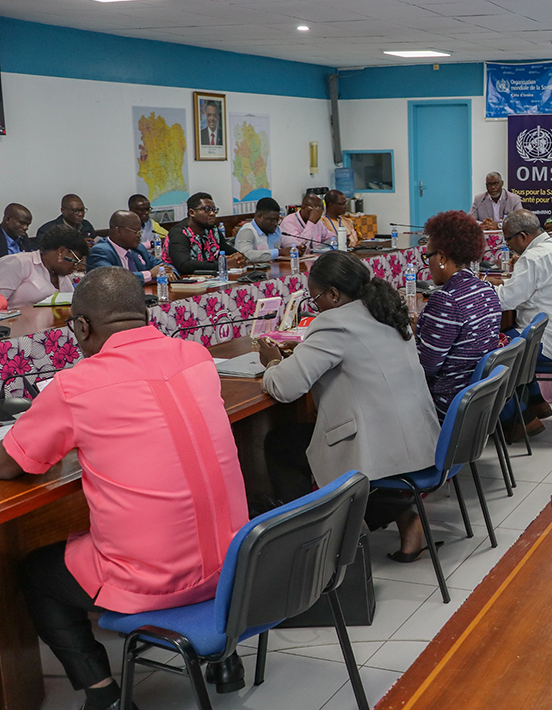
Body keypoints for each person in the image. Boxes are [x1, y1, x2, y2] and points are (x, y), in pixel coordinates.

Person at [0, 268, 249, 707]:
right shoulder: (196, 356)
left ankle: (104, 694)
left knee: (37, 571)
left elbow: (11, 464)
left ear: (80, 326)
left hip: (157, 581)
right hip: (235, 566)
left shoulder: (75, 385)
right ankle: (225, 661)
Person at [258, 251, 441, 560]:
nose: (316, 309)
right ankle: (405, 515)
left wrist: (272, 362)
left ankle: (316, 541)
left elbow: (285, 387)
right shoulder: (387, 310)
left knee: (280, 443)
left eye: (315, 301)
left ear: (333, 294)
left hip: (382, 450)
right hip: (421, 442)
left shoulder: (333, 322)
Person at [493, 210, 552, 422]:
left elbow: (505, 301)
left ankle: (518, 419)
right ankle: (536, 401)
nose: (507, 245)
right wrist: (505, 285)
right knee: (515, 338)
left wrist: (485, 289)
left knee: (498, 347)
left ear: (523, 236)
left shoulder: (533, 257)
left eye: (508, 239)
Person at [416, 210, 502, 418]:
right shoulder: (486, 289)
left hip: (445, 402)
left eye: (428, 257)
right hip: (475, 400)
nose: (428, 265)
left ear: (443, 257)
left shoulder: (446, 300)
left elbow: (424, 368)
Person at [0, 225, 87, 306]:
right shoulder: (19, 263)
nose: (76, 266)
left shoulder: (63, 277)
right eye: (75, 261)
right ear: (61, 252)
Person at [164, 192, 246, 275]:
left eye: (214, 210)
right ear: (192, 212)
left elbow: (228, 251)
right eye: (207, 209)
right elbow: (184, 265)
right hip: (180, 283)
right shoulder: (179, 233)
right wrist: (222, 264)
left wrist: (239, 258)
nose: (212, 213)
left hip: (209, 279)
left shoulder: (212, 230)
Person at [86, 210, 177, 284]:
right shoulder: (99, 251)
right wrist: (149, 274)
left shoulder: (138, 248)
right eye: (136, 232)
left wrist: (170, 273)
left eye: (140, 232)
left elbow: (164, 266)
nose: (139, 236)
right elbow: (112, 279)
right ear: (119, 231)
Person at [234, 196, 303, 264]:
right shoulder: (247, 231)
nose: (276, 223)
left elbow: (288, 243)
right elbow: (245, 255)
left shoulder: (276, 230)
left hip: (274, 270)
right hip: (253, 273)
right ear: (259, 217)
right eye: (272, 220)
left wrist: (298, 248)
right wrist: (279, 252)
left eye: (277, 220)